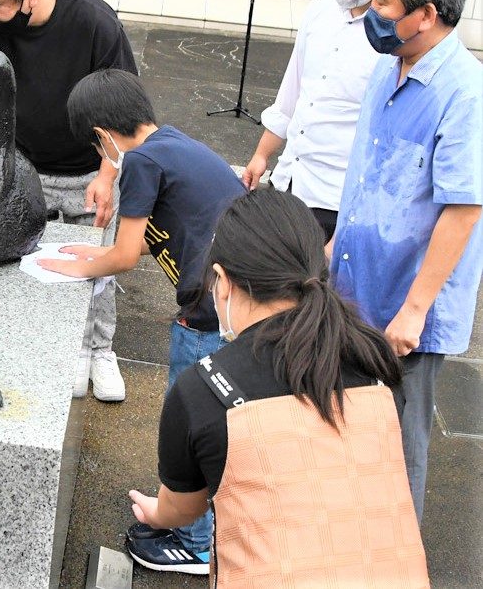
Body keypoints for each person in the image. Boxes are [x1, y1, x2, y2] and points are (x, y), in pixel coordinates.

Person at [128, 189, 428, 586]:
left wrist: (156, 513)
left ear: (222, 281)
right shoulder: (373, 362)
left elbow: (183, 509)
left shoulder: (202, 391)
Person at [40, 69, 245, 574]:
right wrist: (91, 250)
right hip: (233, 302)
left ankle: (196, 543)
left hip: (207, 315)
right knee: (213, 420)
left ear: (102, 136)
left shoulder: (141, 164)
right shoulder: (169, 143)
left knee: (193, 423)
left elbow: (125, 255)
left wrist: (79, 264)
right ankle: (188, 521)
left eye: (97, 148)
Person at [331, 0, 481, 523]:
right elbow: (369, 173)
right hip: (355, 286)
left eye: (384, 3)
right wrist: (336, 245)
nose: (372, 14)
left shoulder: (463, 92)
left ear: (427, 14)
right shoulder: (391, 64)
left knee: (398, 450)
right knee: (344, 430)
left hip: (406, 310)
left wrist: (416, 309)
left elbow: (464, 208)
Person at [0, 0, 136, 404]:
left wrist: (107, 175)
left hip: (86, 170)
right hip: (22, 168)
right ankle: (40, 350)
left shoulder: (93, 20)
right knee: (21, 264)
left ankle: (98, 348)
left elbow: (124, 109)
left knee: (95, 268)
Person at [242, 0, 401, 240]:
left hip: (338, 200)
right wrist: (261, 155)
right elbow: (293, 94)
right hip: (290, 180)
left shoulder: (393, 38)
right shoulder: (320, 8)